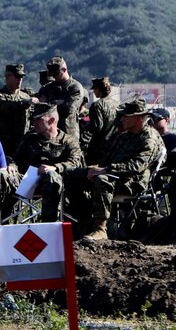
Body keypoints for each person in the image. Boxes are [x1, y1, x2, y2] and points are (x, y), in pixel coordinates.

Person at [68, 98, 160, 242]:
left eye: (125, 116)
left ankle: (100, 228)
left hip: (132, 182)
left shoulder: (149, 138)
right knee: (72, 175)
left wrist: (105, 170)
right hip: (112, 175)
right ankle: (81, 222)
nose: (122, 119)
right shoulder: (123, 136)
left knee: (101, 180)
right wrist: (94, 169)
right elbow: (106, 158)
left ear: (138, 119)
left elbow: (136, 167)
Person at [0, 103, 82, 230]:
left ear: (52, 120)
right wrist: (12, 166)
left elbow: (75, 162)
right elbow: (16, 160)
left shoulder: (68, 141)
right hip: (29, 181)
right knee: (0, 175)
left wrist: (55, 168)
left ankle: (48, 226)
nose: (34, 123)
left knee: (51, 176)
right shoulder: (30, 138)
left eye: (39, 119)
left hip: (55, 184)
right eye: (33, 120)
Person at [0, 64, 33, 161]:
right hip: (3, 144)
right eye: (17, 76)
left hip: (21, 144)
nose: (20, 80)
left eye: (21, 77)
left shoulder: (25, 97)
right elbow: (8, 106)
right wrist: (26, 103)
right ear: (7, 77)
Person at [35, 56, 86, 140]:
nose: (54, 77)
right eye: (52, 74)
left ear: (64, 70)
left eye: (56, 73)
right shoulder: (48, 87)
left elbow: (68, 109)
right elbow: (40, 107)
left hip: (68, 134)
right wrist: (59, 102)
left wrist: (49, 103)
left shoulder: (75, 87)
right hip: (49, 134)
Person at [80, 77, 120, 165]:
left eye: (95, 89)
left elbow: (97, 127)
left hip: (99, 146)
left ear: (99, 89)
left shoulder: (97, 105)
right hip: (114, 143)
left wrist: (85, 126)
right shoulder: (117, 104)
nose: (94, 92)